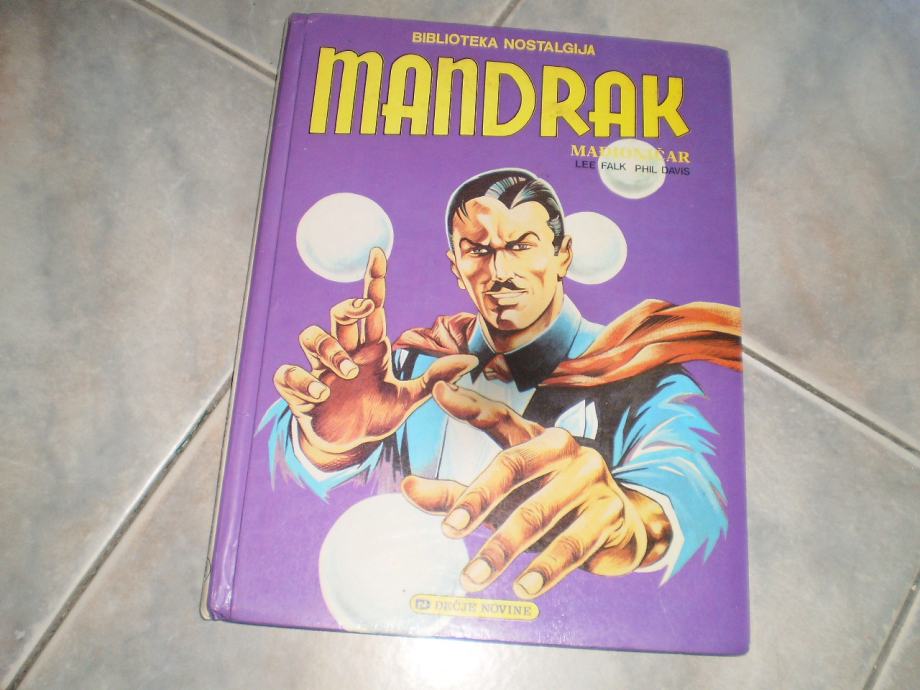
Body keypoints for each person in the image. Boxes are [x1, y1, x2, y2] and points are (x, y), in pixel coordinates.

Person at [261, 168, 741, 599]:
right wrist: (329, 447)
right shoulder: (409, 368)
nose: (500, 272)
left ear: (563, 256)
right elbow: (279, 498)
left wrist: (627, 526)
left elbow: (687, 496)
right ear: (456, 265)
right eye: (478, 250)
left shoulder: (642, 373)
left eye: (521, 246)